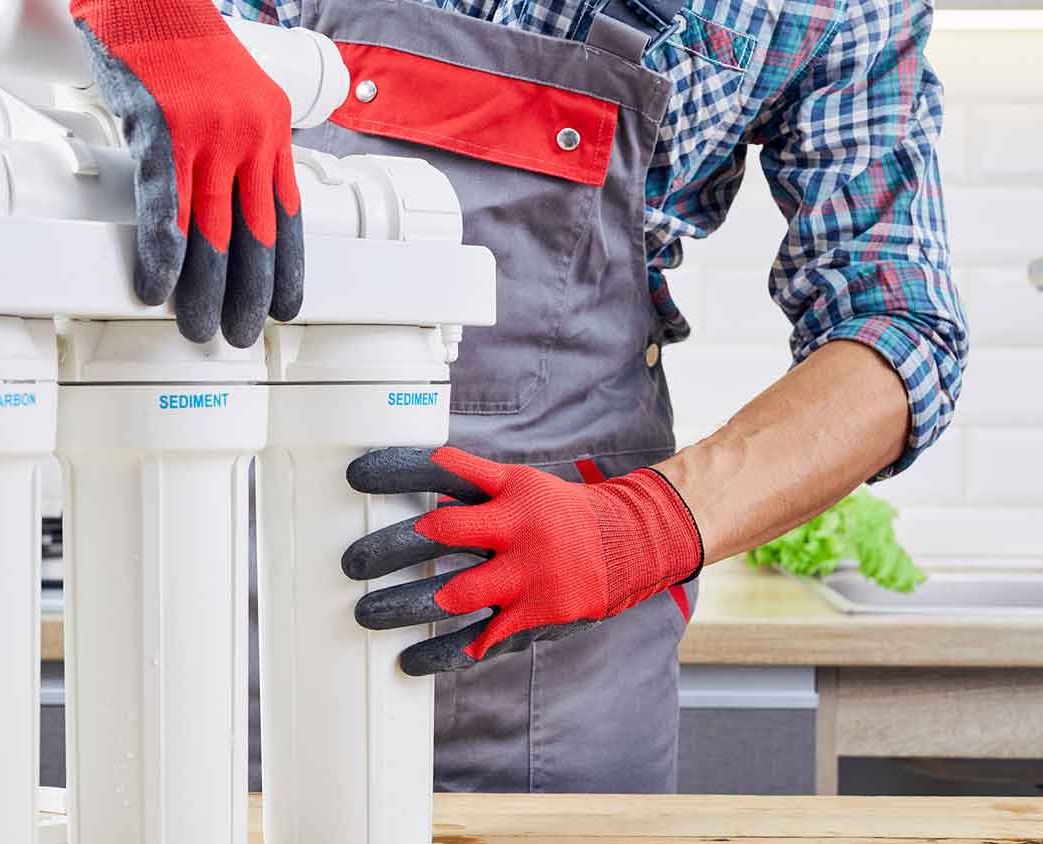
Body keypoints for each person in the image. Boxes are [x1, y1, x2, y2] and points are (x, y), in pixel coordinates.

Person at [69, 0, 968, 793]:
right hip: (216, 599)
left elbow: (901, 328)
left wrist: (638, 530)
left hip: (563, 677)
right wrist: (149, 12)